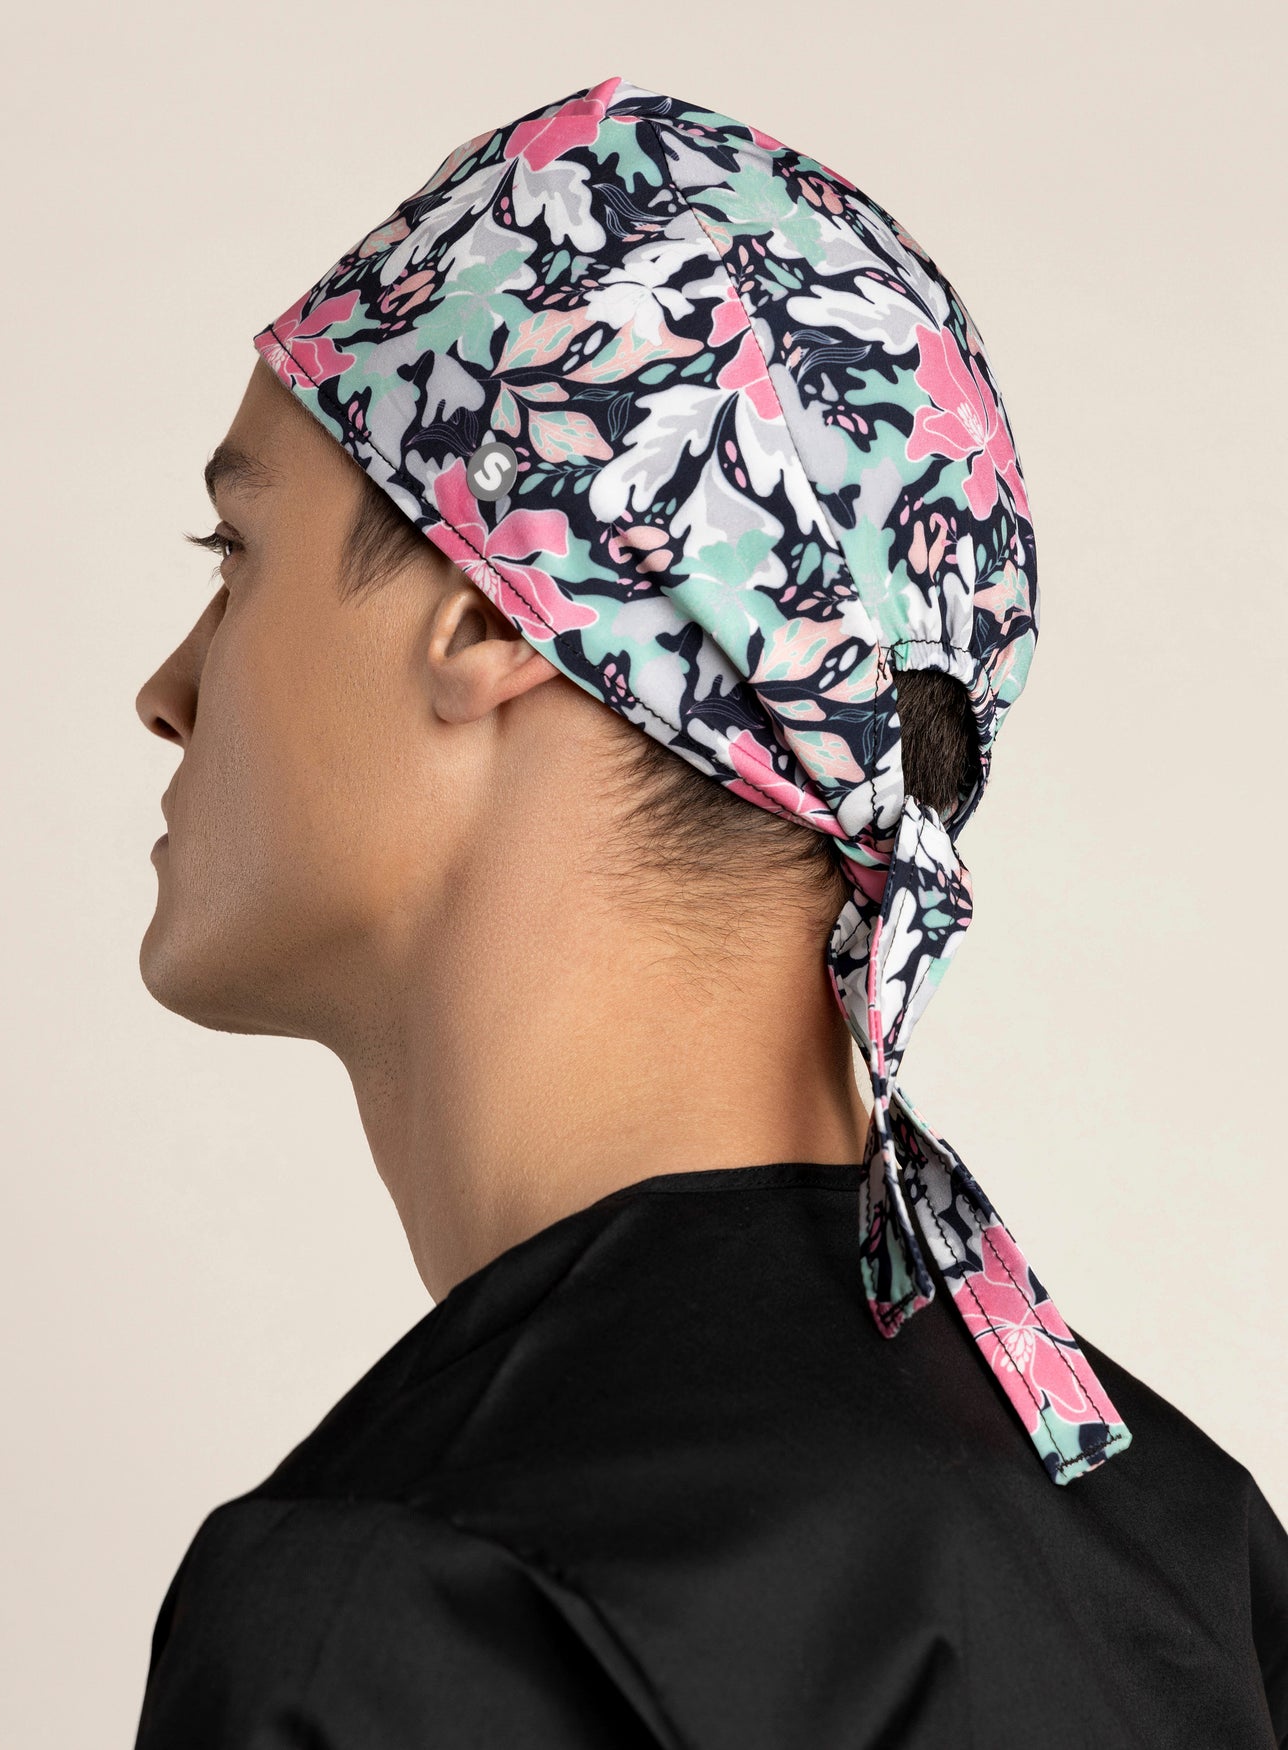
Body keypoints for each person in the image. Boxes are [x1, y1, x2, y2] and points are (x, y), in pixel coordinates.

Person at [130, 75, 1288, 1747]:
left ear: (493, 609)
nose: (168, 688)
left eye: (232, 552)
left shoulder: (413, 1601)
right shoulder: (1183, 1547)